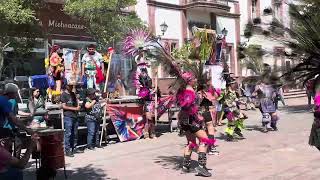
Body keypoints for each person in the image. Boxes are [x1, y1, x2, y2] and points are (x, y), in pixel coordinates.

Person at [178, 72, 213, 177]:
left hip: (185, 121)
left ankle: (185, 166)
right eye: (194, 78)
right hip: (191, 121)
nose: (196, 80)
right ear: (189, 81)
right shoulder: (189, 92)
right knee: (205, 141)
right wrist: (197, 115)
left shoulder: (185, 91)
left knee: (191, 142)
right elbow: (186, 107)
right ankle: (201, 167)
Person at [60, 84, 83, 157]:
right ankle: (67, 150)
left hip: (75, 115)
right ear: (66, 86)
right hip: (68, 116)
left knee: (75, 133)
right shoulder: (63, 95)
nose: (71, 87)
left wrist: (77, 100)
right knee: (68, 133)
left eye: (72, 86)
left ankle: (74, 148)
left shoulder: (73, 94)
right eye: (70, 86)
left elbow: (76, 102)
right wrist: (75, 109)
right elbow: (63, 106)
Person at [198, 79, 219, 155]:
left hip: (205, 113)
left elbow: (216, 97)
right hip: (206, 113)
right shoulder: (203, 94)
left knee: (206, 131)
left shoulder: (205, 93)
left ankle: (207, 147)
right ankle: (210, 147)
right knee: (209, 130)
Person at [138, 68, 156, 139]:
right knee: (148, 119)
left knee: (153, 119)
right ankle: (146, 134)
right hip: (147, 103)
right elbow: (142, 96)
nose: (144, 74)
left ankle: (152, 133)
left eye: (145, 73)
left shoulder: (150, 81)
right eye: (143, 73)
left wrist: (154, 91)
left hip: (152, 103)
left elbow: (153, 87)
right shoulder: (141, 87)